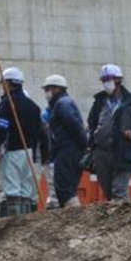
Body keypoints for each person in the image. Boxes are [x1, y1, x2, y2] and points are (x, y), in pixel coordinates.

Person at [87, 64, 131, 200]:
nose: (106, 83)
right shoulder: (99, 101)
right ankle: (122, 216)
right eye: (104, 80)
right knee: (109, 192)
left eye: (108, 79)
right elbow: (91, 122)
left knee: (119, 191)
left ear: (118, 80)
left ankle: (126, 219)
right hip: (101, 154)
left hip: (123, 152)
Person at [0, 67, 42, 216]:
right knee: (26, 189)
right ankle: (25, 225)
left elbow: (1, 127)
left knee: (12, 189)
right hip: (29, 151)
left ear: (8, 83)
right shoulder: (33, 106)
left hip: (12, 150)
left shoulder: (7, 103)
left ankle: (12, 225)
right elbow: (38, 131)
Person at [42, 75, 88, 207]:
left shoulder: (62, 104)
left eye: (48, 89)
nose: (46, 92)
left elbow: (73, 125)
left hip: (68, 151)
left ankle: (75, 217)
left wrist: (84, 146)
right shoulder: (61, 103)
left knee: (65, 189)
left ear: (57, 89)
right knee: (64, 188)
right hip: (67, 150)